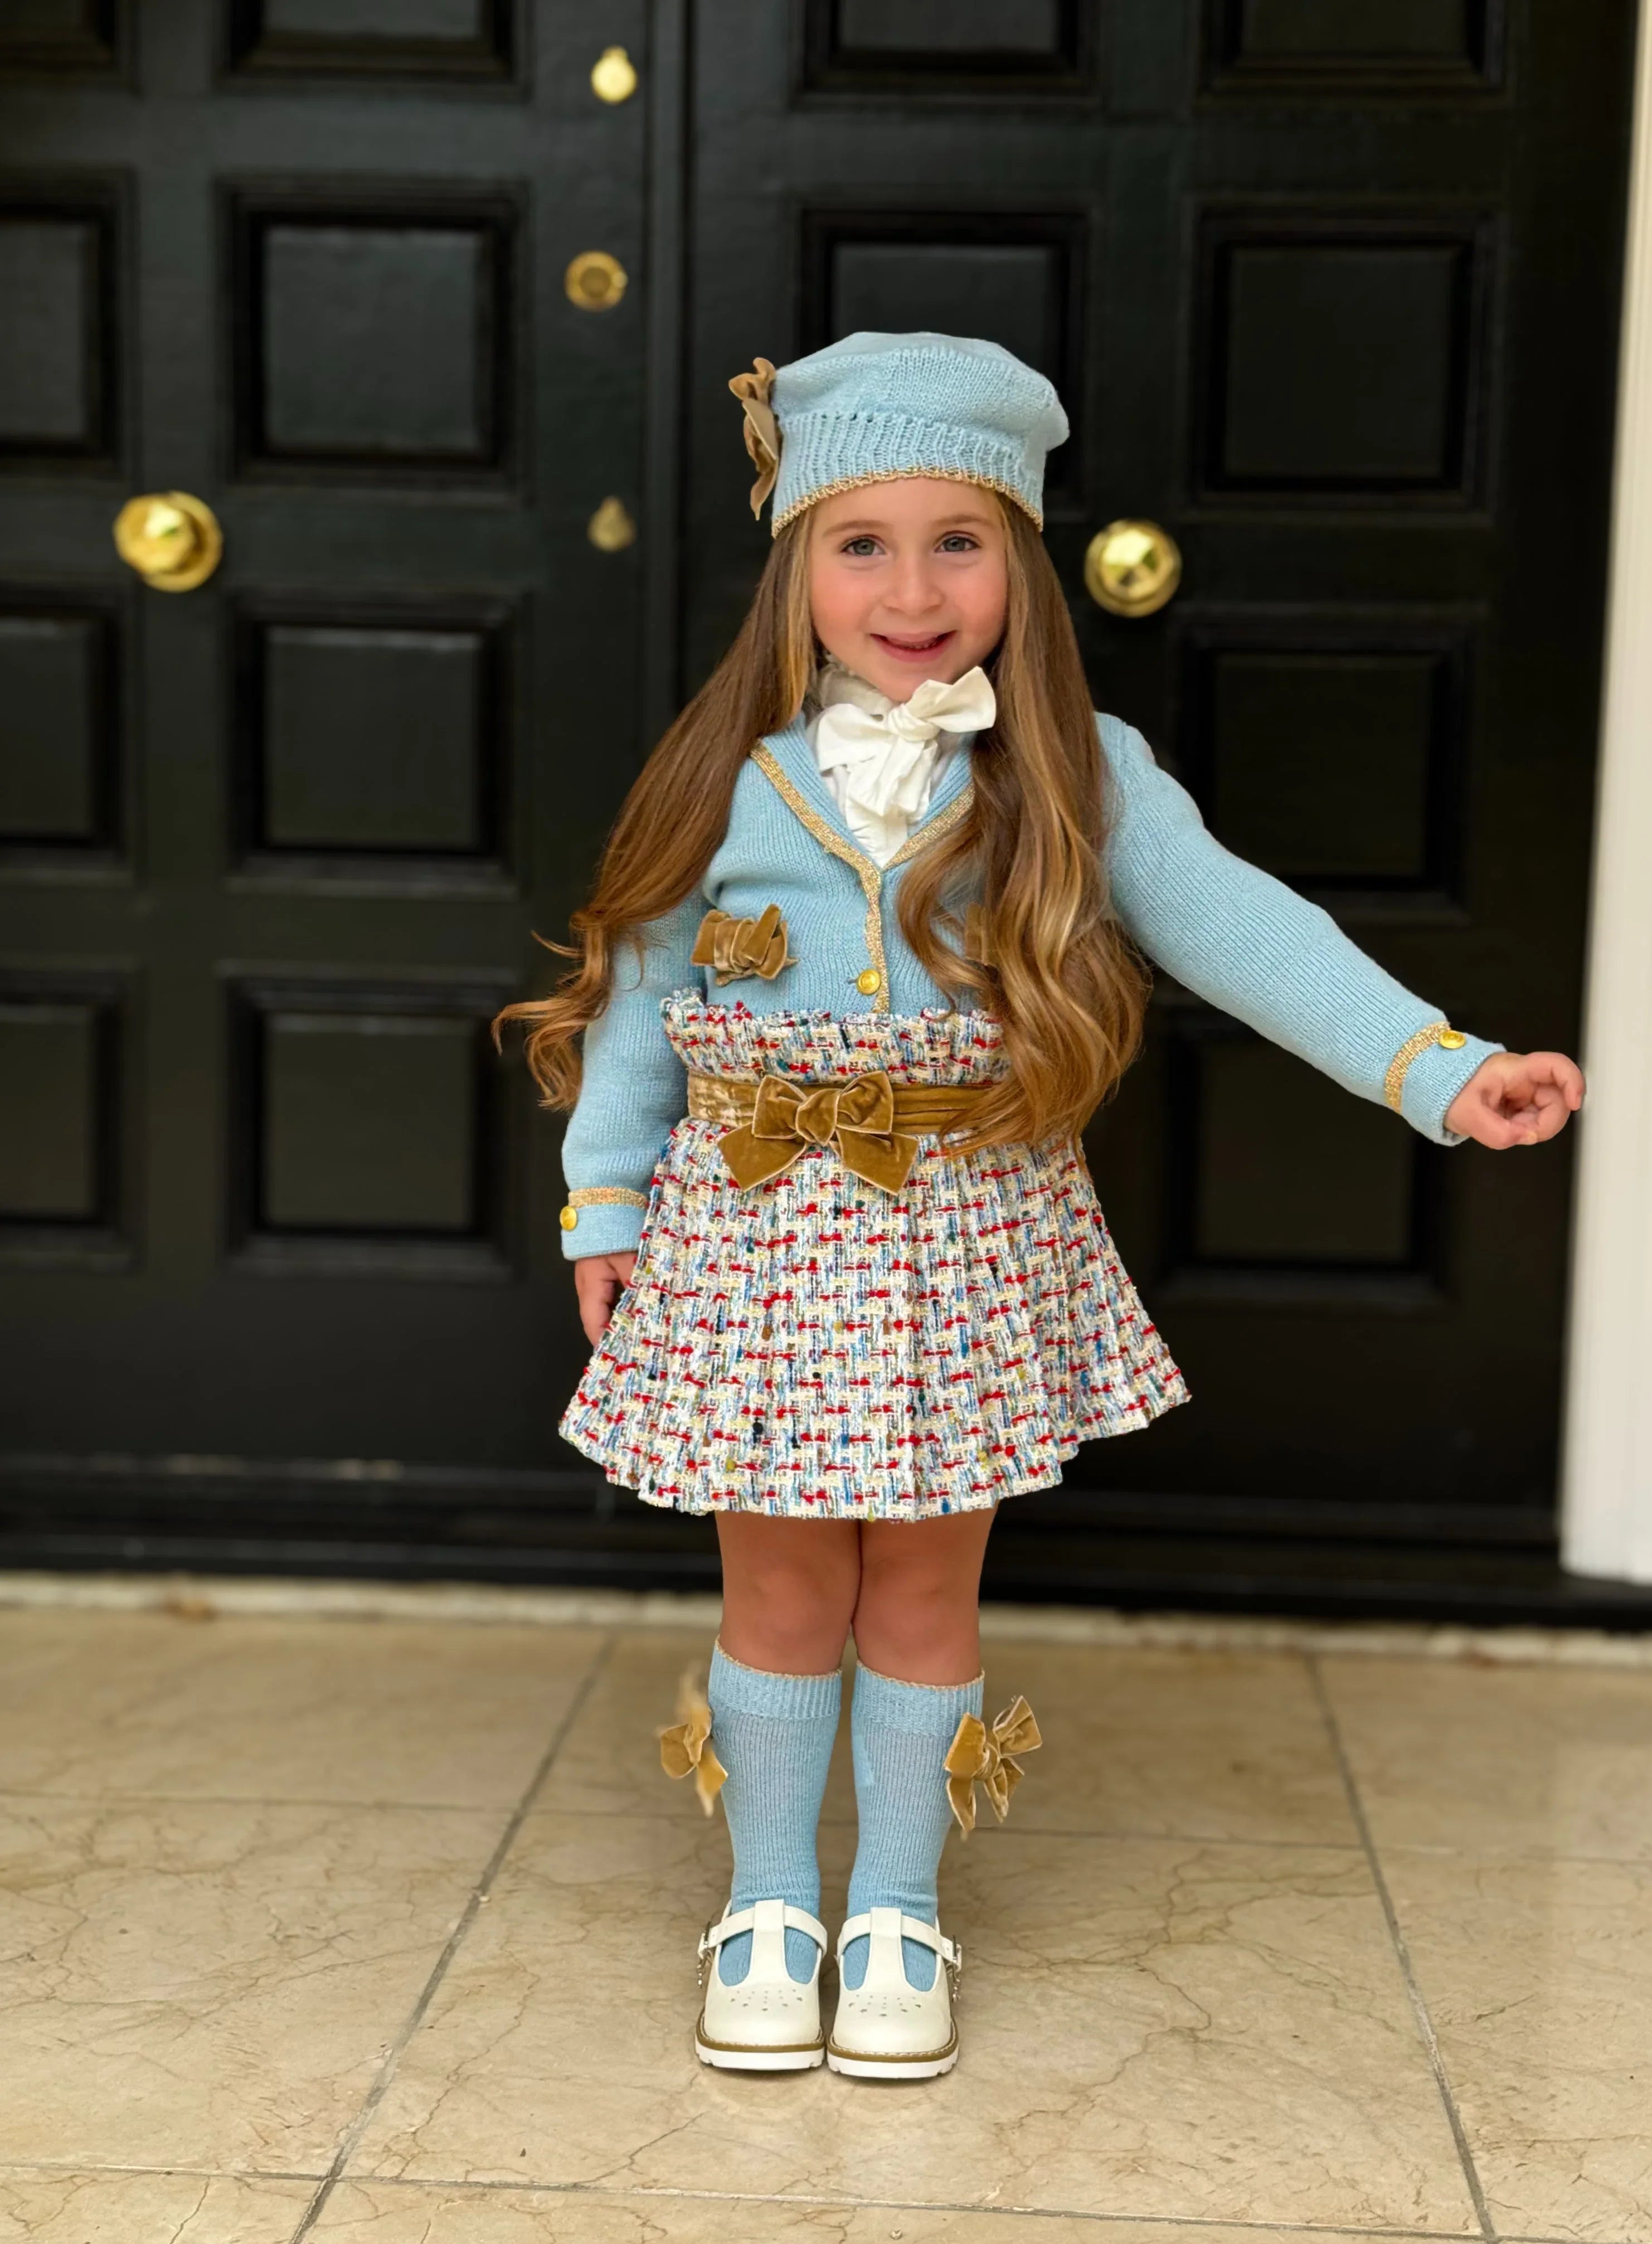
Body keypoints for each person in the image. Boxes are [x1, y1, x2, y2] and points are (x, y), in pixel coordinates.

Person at [494, 331, 1583, 2082]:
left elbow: (1242, 926)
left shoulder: (1076, 768)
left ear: (1022, 562)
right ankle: (774, 1900)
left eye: (961, 542)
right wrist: (600, 1203)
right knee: (779, 1586)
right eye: (864, 542)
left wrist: (1436, 1068)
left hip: (965, 1242)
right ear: (797, 561)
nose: (912, 590)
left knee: (923, 1586)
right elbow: (639, 1010)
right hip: (756, 1241)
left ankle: (901, 1909)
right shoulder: (725, 775)